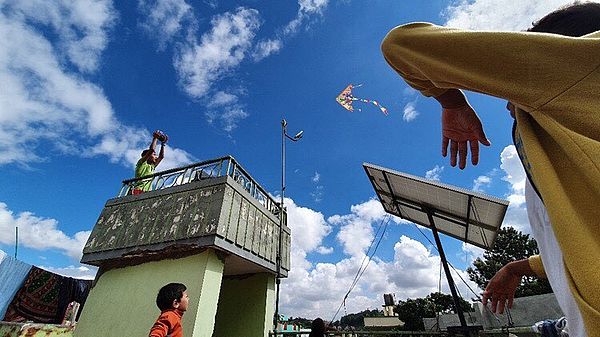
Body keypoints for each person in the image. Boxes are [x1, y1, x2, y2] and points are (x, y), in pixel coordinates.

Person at [380, 2, 600, 336]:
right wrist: (520, 267)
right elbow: (581, 232)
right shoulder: (568, 139)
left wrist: (452, 102)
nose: (509, 104)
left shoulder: (578, 64)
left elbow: (401, 45)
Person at [133, 130, 167, 195]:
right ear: (147, 156)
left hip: (147, 191)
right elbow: (151, 150)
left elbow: (161, 157)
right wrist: (155, 138)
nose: (156, 157)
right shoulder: (141, 163)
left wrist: (163, 144)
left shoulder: (152, 166)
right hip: (138, 190)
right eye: (154, 155)